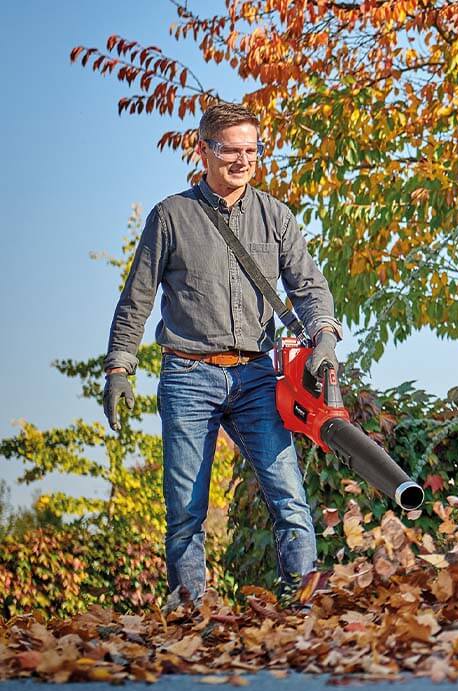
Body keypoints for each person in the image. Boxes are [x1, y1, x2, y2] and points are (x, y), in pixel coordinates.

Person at [102, 102, 342, 609]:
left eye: (251, 150)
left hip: (258, 376)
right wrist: (120, 367)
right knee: (187, 507)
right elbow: (137, 299)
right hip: (188, 375)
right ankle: (190, 610)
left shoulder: (276, 216)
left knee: (289, 497)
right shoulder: (171, 217)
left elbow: (309, 286)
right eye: (230, 150)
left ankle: (303, 608)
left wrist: (323, 333)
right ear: (202, 150)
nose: (242, 160)